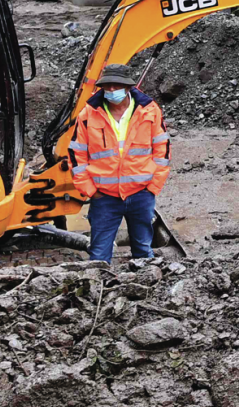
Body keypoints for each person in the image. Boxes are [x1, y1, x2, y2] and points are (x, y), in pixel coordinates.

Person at [69, 64, 171, 262]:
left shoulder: (149, 111)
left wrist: (153, 186)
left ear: (128, 87)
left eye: (117, 85)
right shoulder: (88, 114)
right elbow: (76, 155)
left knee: (143, 251)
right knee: (99, 255)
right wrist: (91, 190)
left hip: (141, 194)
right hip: (104, 198)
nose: (112, 90)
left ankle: (145, 288)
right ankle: (97, 289)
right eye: (107, 86)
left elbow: (162, 149)